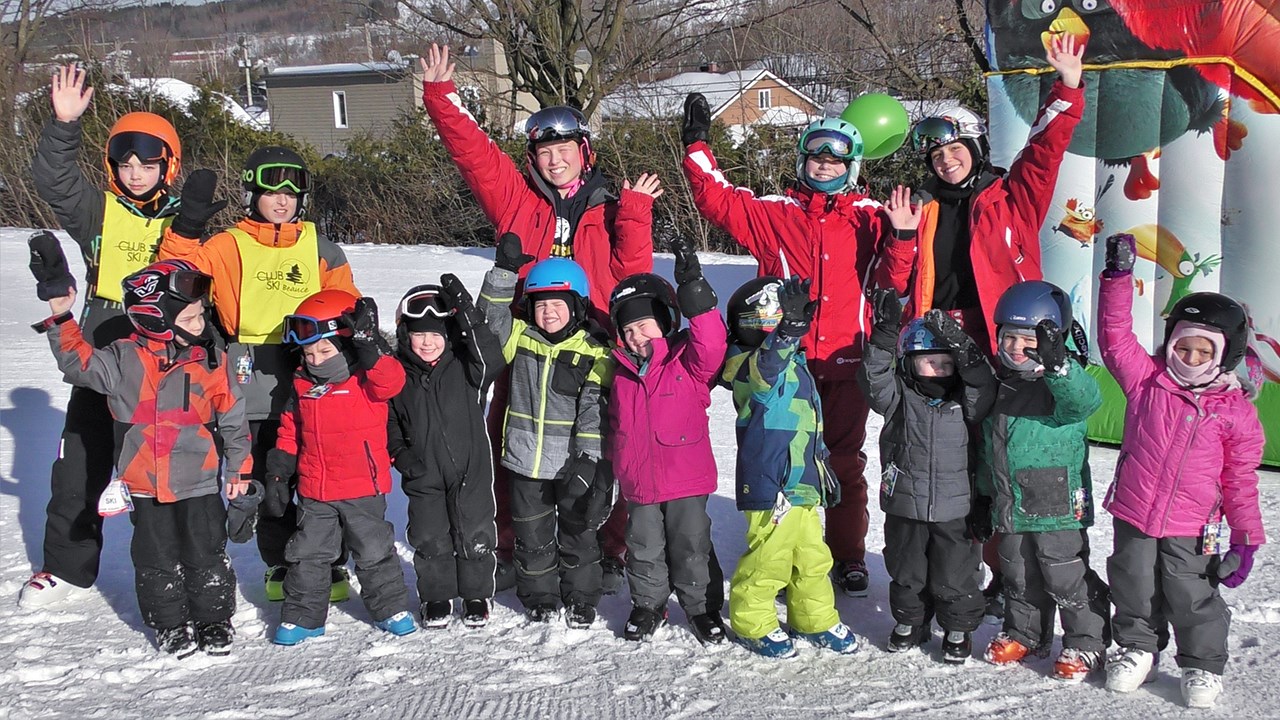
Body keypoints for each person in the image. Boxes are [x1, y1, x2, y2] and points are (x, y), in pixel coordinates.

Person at [419, 43, 657, 588]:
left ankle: (607, 546)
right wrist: (441, 97)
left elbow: (632, 274)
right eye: (544, 152)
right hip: (527, 344)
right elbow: (475, 156)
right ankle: (511, 543)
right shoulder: (517, 201)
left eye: (565, 148)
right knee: (513, 441)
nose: (555, 160)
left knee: (602, 445)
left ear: (584, 151)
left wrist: (638, 215)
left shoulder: (612, 205)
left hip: (593, 345)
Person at [880, 34, 1086, 622]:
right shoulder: (922, 209)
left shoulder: (1010, 195)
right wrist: (898, 237)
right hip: (942, 343)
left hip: (1007, 343)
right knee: (953, 461)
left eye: (955, 149)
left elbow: (1045, 151)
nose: (946, 160)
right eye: (936, 154)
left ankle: (1022, 572)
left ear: (974, 145)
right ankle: (961, 574)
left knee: (1006, 459)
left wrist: (1067, 88)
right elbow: (895, 277)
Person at [681, 94, 888, 597]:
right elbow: (716, 196)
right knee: (778, 459)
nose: (825, 165)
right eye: (817, 157)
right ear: (802, 161)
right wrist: (696, 145)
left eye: (836, 159)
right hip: (781, 362)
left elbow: (903, 263)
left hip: (844, 361)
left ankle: (848, 556)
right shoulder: (774, 213)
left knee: (842, 460)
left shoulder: (871, 217)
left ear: (851, 168)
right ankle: (778, 552)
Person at [20, 66, 203, 609]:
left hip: (167, 364)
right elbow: (52, 180)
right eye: (125, 163)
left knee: (171, 468)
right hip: (103, 352)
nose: (136, 173)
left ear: (167, 165)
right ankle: (66, 568)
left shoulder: (190, 217)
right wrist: (63, 125)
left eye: (148, 163)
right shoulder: (100, 210)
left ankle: (187, 565)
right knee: (78, 464)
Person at [158, 145, 360, 602]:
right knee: (270, 473)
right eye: (272, 190)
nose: (282, 200)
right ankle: (279, 564)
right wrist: (187, 226)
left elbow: (345, 306)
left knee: (318, 472)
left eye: (292, 190)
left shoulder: (321, 246)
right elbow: (171, 275)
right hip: (247, 371)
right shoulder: (227, 244)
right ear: (253, 193)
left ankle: (327, 563)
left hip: (310, 366)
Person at [35, 260, 251, 657]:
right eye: (191, 316)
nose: (201, 323)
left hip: (199, 481)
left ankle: (215, 619)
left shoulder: (211, 361)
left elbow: (234, 419)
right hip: (145, 484)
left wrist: (239, 468)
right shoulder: (122, 359)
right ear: (156, 319)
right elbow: (78, 363)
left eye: (201, 314)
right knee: (156, 559)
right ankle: (169, 624)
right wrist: (61, 315)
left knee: (207, 554)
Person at [1096, 233, 1266, 708]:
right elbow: (1113, 335)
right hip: (1134, 512)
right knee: (1132, 585)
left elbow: (1240, 480)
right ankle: (1136, 649)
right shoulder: (1147, 381)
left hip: (1194, 526)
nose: (1189, 359)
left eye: (1203, 352)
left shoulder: (1234, 412)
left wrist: (1246, 537)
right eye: (1182, 347)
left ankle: (1202, 664)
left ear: (1224, 356)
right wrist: (1117, 277)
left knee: (1192, 596)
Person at [976, 280, 1109, 682]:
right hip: (1010, 500)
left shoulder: (1063, 383)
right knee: (1017, 572)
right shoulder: (1002, 383)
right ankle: (1025, 633)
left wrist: (1059, 366)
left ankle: (1087, 641)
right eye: (1010, 337)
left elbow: (1084, 401)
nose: (1018, 348)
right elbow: (989, 448)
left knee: (1063, 573)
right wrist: (985, 496)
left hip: (1056, 500)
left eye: (1030, 340)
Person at [265, 290, 415, 645]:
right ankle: (303, 617)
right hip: (315, 489)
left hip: (362, 487)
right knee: (307, 555)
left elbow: (391, 379)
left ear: (346, 345)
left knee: (374, 551)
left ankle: (390, 608)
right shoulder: (302, 384)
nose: (315, 359)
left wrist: (369, 344)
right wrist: (279, 470)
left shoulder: (366, 379)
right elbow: (290, 430)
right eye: (308, 352)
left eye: (324, 350)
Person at [720, 276, 859, 659]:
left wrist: (822, 470)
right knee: (770, 557)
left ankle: (813, 619)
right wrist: (785, 336)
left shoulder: (795, 363)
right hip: (770, 481)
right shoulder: (746, 369)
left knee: (813, 557)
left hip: (801, 479)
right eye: (775, 321)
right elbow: (768, 367)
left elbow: (807, 423)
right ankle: (753, 621)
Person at [477, 237, 613, 627]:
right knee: (532, 537)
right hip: (523, 460)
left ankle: (582, 596)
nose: (548, 313)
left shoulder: (594, 350)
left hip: (572, 465)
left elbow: (594, 409)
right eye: (541, 305)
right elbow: (488, 327)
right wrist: (503, 275)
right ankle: (539, 596)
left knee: (578, 536)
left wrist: (589, 460)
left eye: (558, 304)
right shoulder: (519, 338)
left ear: (577, 307)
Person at [857, 291, 996, 664]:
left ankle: (957, 627)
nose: (935, 371)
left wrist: (964, 347)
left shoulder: (965, 402)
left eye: (944, 364)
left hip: (956, 507)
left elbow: (984, 385)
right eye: (926, 363)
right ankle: (909, 621)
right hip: (905, 501)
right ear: (909, 365)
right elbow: (873, 378)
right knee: (906, 569)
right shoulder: (899, 399)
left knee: (956, 572)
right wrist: (884, 334)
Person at [606, 239, 727, 644]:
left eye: (643, 325)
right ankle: (648, 603)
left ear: (666, 322)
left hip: (685, 480)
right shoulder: (619, 372)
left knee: (692, 545)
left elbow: (711, 342)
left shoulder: (688, 363)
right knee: (642, 546)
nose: (635, 335)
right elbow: (614, 425)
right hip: (639, 482)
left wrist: (693, 288)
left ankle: (701, 607)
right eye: (627, 329)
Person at [387, 277, 504, 629]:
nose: (427, 342)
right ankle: (436, 597)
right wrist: (401, 456)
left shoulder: (467, 368)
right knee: (429, 537)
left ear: (449, 336)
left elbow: (492, 357)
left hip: (471, 471)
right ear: (406, 334)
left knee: (475, 534)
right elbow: (388, 422)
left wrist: (468, 314)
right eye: (420, 334)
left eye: (436, 334)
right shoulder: (397, 375)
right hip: (423, 474)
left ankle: (475, 596)